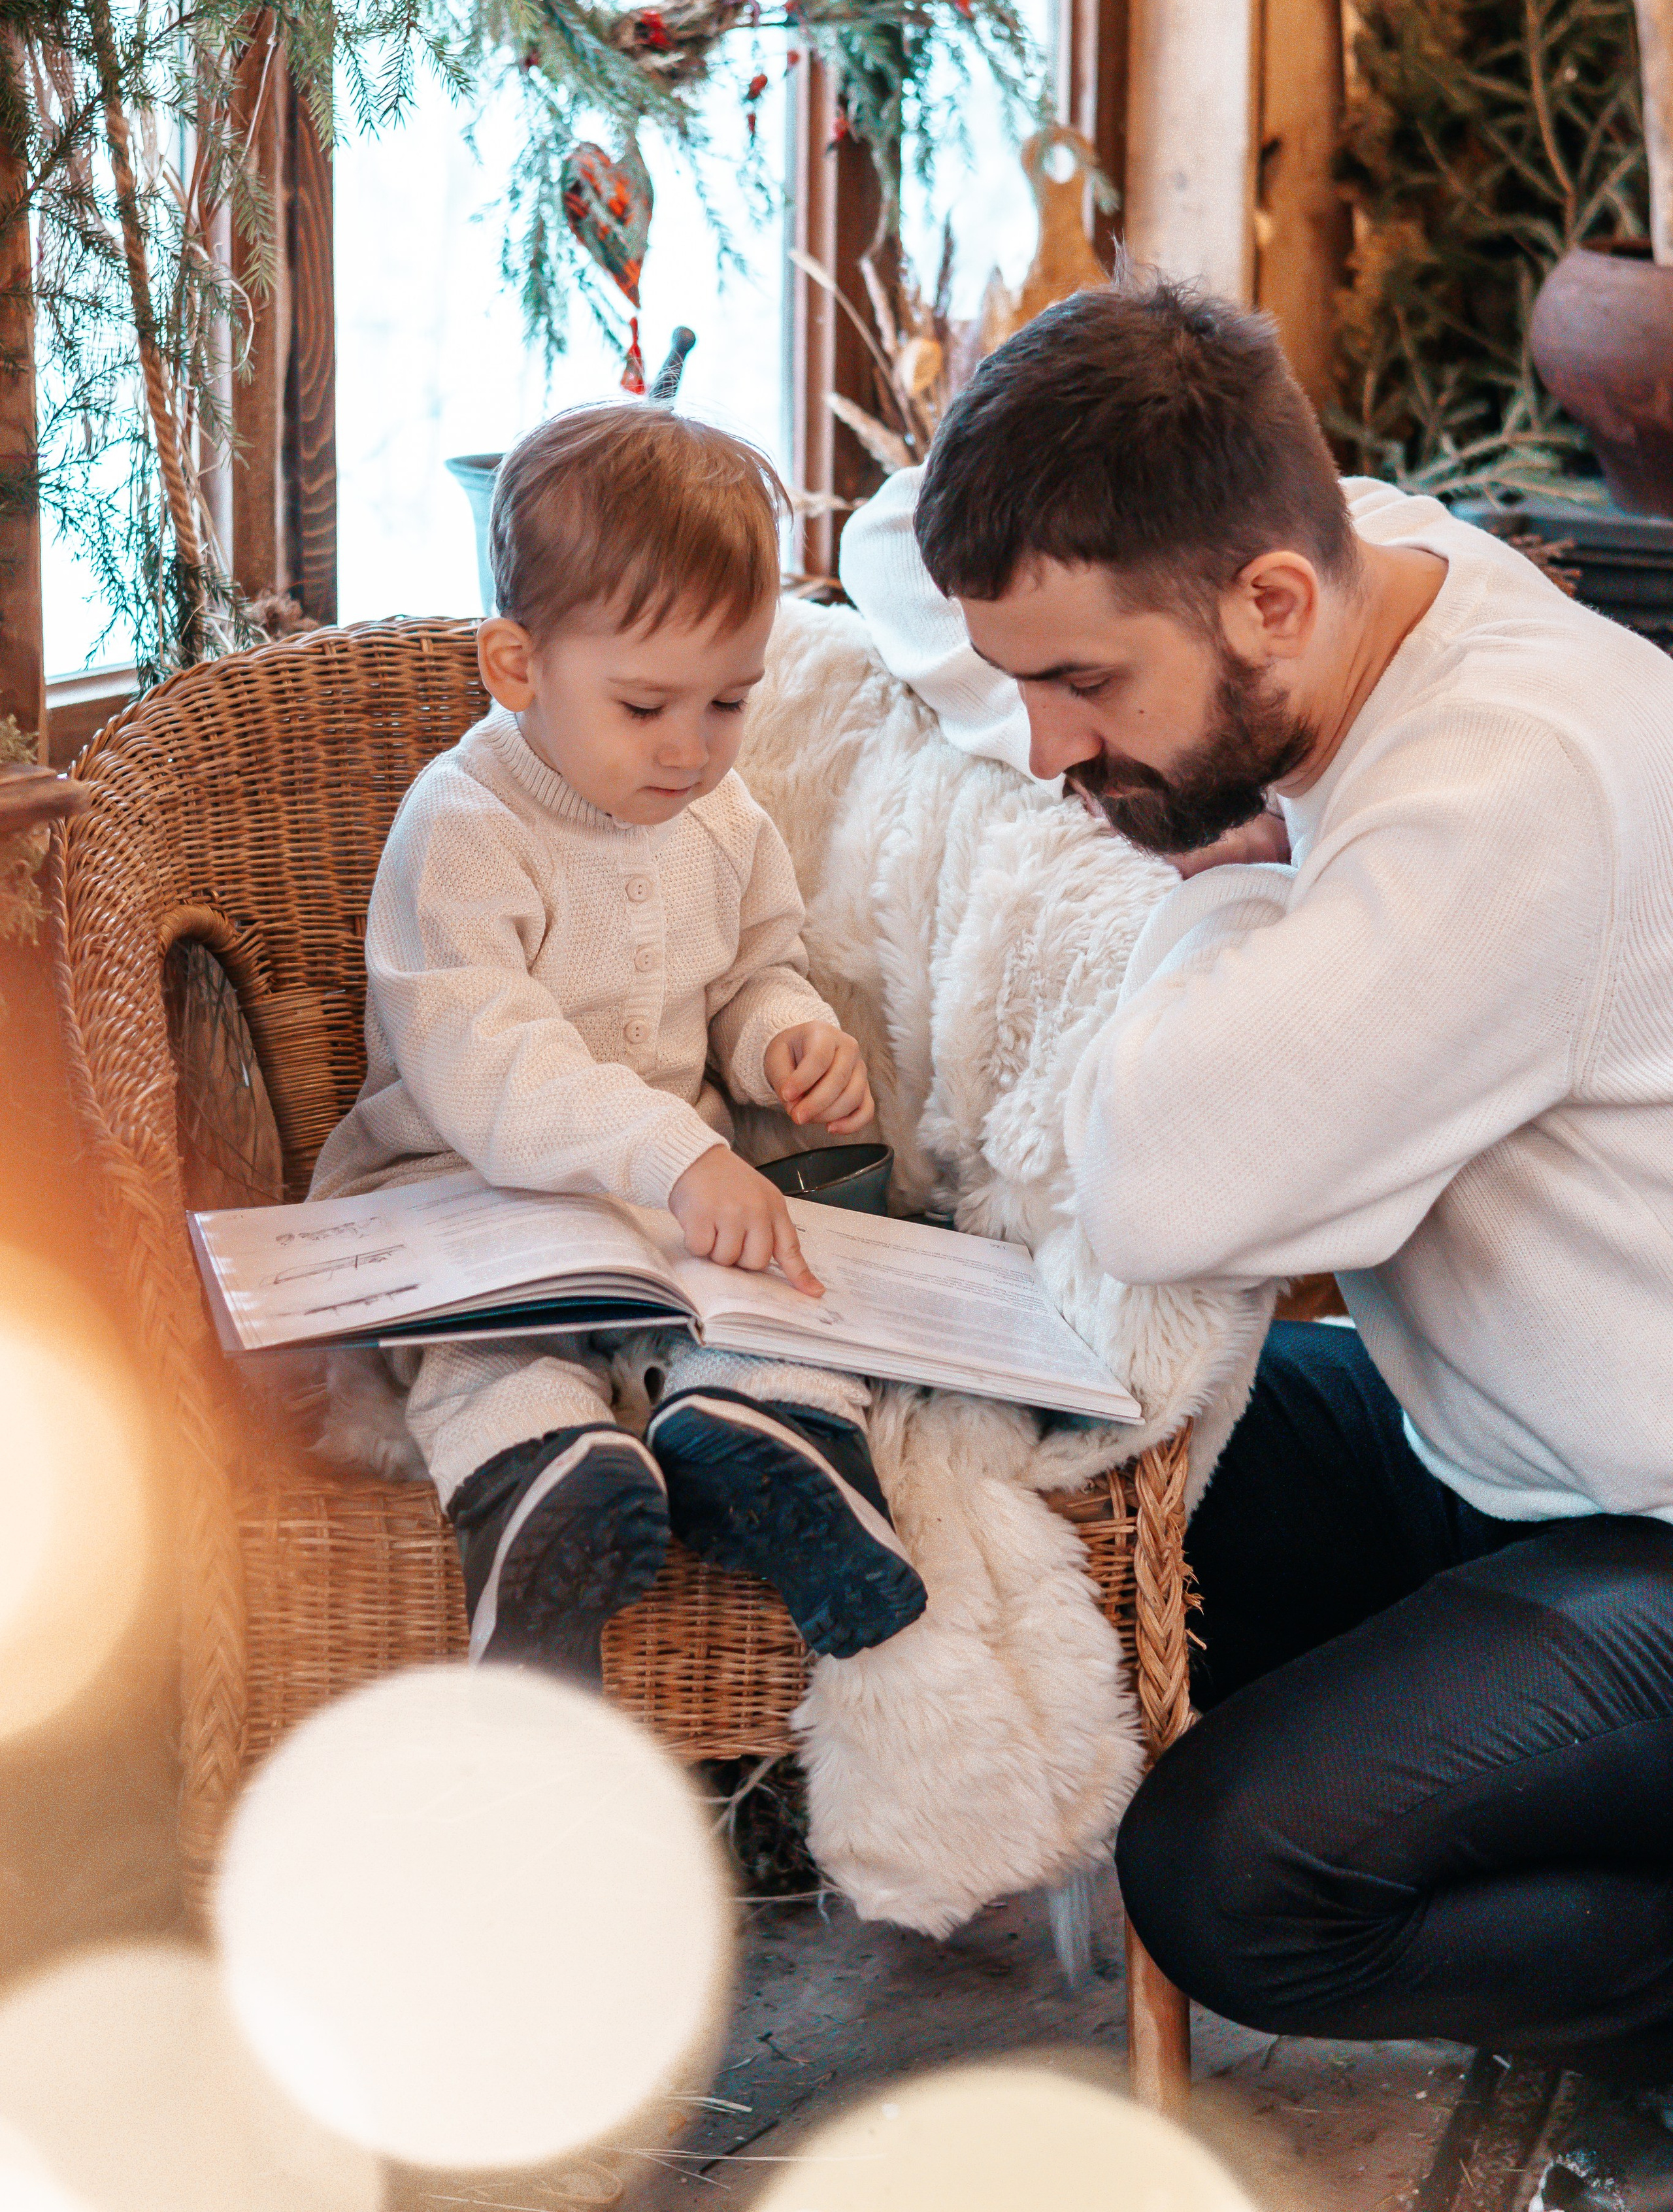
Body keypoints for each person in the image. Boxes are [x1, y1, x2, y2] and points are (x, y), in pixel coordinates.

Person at [842, 272, 1673, 2198]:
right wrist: (1118, 713)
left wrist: (1236, 887)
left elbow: (1161, 1182)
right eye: (1028, 686)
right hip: (1486, 1439)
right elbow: (897, 543)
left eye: (1085, 691)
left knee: (1234, 1876)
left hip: (1647, 1523)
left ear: (1270, 609)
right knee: (1053, 1508)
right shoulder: (1364, 556)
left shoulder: (1508, 795)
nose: (1047, 748)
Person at [312, 404, 927, 1681]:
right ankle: (545, 1504)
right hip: (461, 1193)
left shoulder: (720, 815)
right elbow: (488, 1057)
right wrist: (670, 1152)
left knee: (771, 1301)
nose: (690, 748)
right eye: (645, 704)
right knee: (496, 1351)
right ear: (517, 666)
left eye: (728, 702)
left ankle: (765, 1452)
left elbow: (755, 969)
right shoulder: (467, 823)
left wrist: (785, 1042)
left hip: (657, 1210)